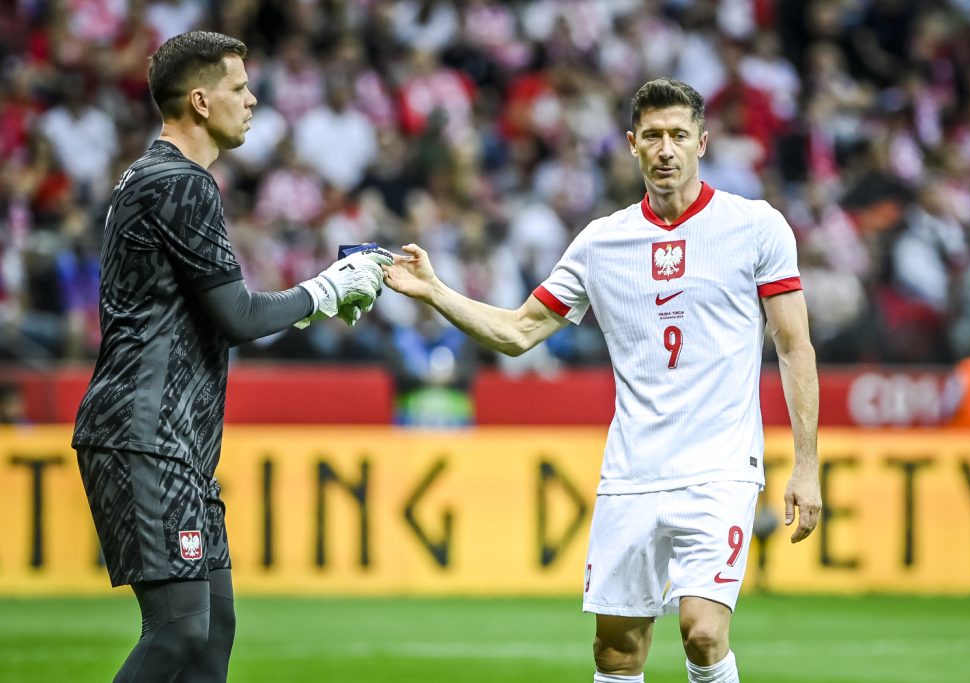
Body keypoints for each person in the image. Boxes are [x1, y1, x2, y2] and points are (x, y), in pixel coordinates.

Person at [384, 78, 821, 683]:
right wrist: (434, 291)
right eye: (652, 137)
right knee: (616, 652)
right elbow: (518, 333)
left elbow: (795, 346)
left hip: (720, 467)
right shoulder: (601, 242)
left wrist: (805, 463)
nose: (665, 149)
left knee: (702, 630)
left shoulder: (755, 227)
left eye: (678, 135)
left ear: (702, 142)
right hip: (632, 472)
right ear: (631, 146)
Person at [71, 31, 390, 683]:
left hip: (174, 442)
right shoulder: (180, 184)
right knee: (180, 626)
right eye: (239, 89)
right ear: (199, 101)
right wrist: (325, 290)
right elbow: (238, 316)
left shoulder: (153, 177)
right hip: (144, 432)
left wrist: (318, 297)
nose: (252, 101)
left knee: (212, 633)